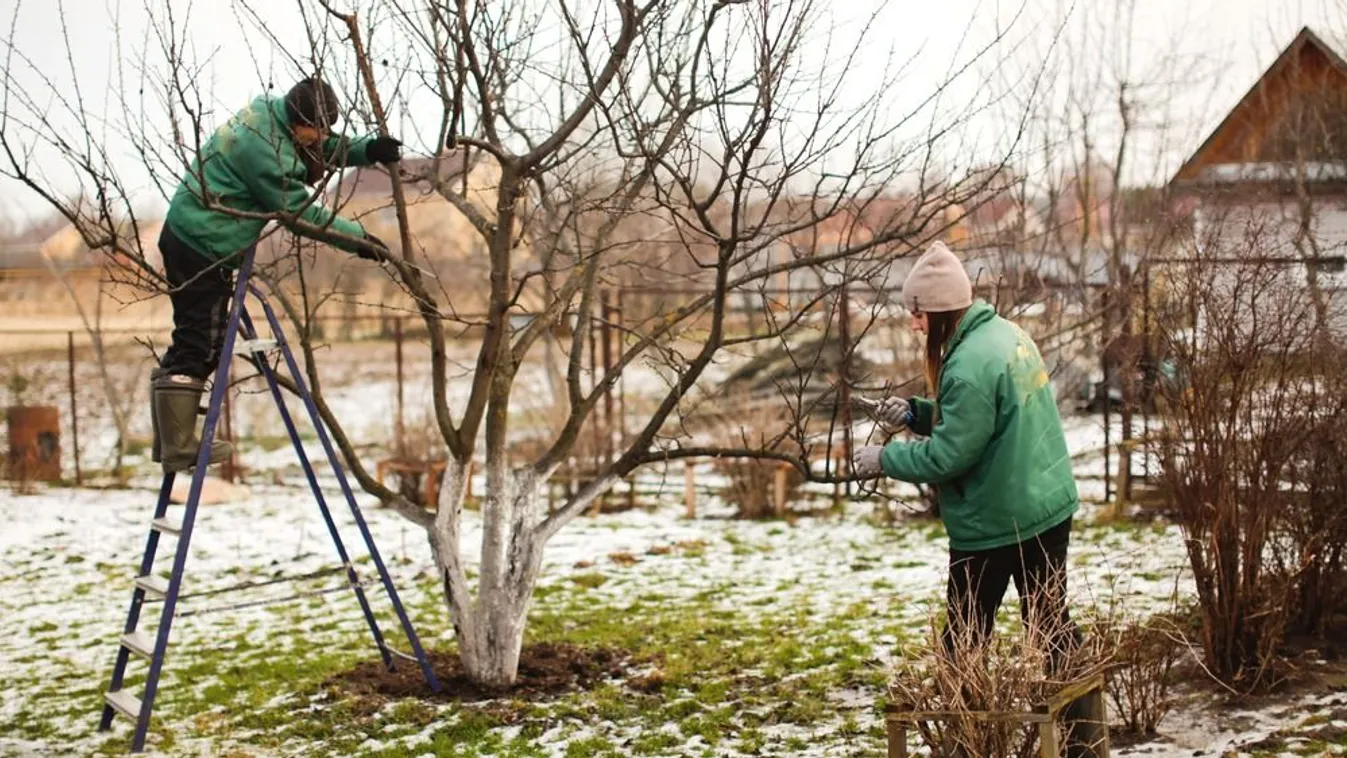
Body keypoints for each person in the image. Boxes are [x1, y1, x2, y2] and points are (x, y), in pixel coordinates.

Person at [151, 76, 402, 472]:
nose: (321, 137)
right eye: (316, 129)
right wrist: (359, 240)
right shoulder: (265, 154)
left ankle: (167, 440)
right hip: (202, 243)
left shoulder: (272, 113)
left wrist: (366, 149)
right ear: (298, 119)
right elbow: (300, 214)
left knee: (191, 336)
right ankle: (179, 445)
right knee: (200, 342)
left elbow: (313, 148)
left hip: (192, 232)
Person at [851, 241, 1082, 664]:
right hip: (1044, 505)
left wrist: (883, 461)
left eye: (918, 314)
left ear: (939, 312)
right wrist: (916, 414)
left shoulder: (966, 366)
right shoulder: (1006, 334)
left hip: (996, 519)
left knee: (964, 639)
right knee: (1051, 626)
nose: (914, 326)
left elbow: (948, 457)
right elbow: (988, 417)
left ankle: (964, 727)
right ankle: (1082, 726)